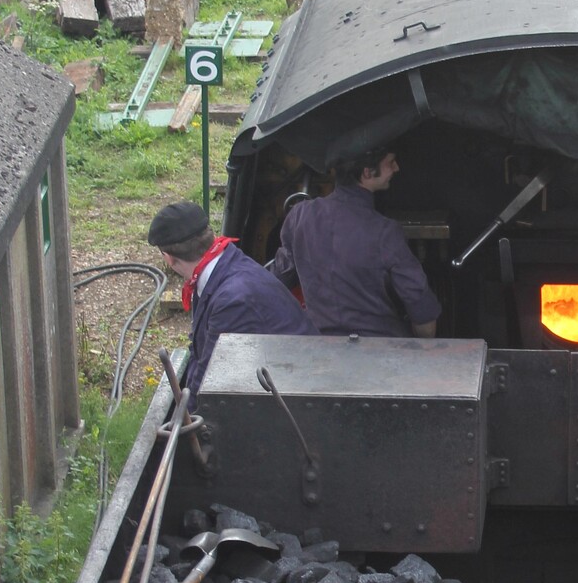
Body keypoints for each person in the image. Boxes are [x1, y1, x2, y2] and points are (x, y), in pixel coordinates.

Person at [149, 201, 315, 399]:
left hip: (298, 397)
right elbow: (199, 353)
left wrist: (186, 414)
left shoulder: (232, 301)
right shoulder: (222, 267)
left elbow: (209, 382)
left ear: (168, 258)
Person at [270, 151, 442, 339]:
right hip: (380, 347)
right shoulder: (385, 232)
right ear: (367, 172)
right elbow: (422, 310)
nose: (396, 168)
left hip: (318, 344)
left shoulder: (299, 215)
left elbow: (276, 283)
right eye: (391, 162)